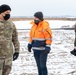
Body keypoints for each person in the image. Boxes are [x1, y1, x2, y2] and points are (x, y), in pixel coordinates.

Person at [0, 4, 20, 75]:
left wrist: (17, 51)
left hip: (8, 56)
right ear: (1, 13)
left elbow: (15, 38)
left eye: (9, 13)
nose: (8, 15)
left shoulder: (11, 24)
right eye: (7, 13)